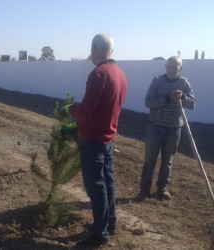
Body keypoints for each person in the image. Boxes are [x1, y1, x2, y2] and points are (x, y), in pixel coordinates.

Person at [61, 33, 127, 248]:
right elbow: (104, 110)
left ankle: (100, 233)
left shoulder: (98, 74)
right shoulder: (120, 74)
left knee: (96, 187)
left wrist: (70, 109)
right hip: (108, 138)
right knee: (108, 183)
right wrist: (79, 123)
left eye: (91, 49)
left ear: (95, 48)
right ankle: (111, 223)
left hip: (93, 142)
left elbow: (87, 111)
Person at [136, 56, 196, 201]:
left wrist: (182, 98)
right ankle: (144, 189)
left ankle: (162, 189)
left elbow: (192, 104)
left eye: (174, 67)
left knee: (167, 160)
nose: (171, 70)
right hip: (155, 127)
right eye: (168, 66)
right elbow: (148, 102)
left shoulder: (184, 83)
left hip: (174, 129)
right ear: (165, 66)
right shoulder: (157, 80)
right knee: (150, 159)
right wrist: (168, 98)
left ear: (180, 68)